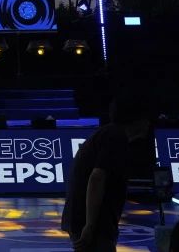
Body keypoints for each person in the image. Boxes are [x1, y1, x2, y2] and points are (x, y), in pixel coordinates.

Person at [61, 93, 152, 252]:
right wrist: (90, 225)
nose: (149, 123)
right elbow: (97, 178)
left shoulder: (108, 134)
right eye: (147, 117)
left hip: (88, 221)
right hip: (93, 225)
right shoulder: (115, 136)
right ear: (138, 119)